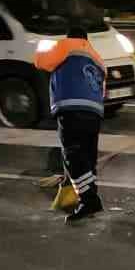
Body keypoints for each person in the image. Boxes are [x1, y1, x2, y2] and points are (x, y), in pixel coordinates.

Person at [35, 26, 106, 222]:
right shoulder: (97, 56)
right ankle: (90, 198)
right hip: (95, 111)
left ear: (71, 37)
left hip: (71, 107)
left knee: (73, 156)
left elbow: (42, 62)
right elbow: (102, 88)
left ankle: (89, 200)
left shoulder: (66, 46)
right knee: (88, 157)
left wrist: (42, 49)